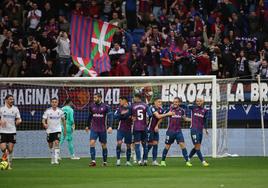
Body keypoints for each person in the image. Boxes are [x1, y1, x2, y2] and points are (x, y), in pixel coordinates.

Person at [160, 97, 192, 167]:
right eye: (174, 102)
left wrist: (193, 120)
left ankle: (187, 161)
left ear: (179, 103)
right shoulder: (169, 109)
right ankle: (162, 161)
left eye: (176, 102)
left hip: (178, 131)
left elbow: (185, 118)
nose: (175, 103)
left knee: (183, 145)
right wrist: (168, 114)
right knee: (167, 146)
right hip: (170, 131)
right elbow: (161, 117)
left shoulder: (182, 110)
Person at [86, 93, 113, 167]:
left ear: (100, 98)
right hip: (94, 128)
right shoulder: (91, 106)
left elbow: (110, 117)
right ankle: (93, 161)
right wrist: (87, 126)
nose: (94, 99)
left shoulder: (106, 106)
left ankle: (104, 162)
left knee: (103, 145)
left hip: (102, 129)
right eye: (93, 98)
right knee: (92, 142)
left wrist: (110, 126)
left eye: (95, 98)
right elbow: (89, 116)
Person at [147, 97, 173, 166]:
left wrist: (157, 126)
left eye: (161, 102)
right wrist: (168, 114)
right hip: (149, 129)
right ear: (155, 102)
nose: (160, 103)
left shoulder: (161, 109)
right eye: (158, 102)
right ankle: (144, 157)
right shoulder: (152, 108)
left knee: (155, 143)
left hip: (155, 129)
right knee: (150, 144)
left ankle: (154, 160)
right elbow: (158, 116)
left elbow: (161, 118)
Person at [0, 94, 22, 169]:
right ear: (6, 100)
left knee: (10, 149)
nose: (12, 100)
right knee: (3, 149)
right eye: (10, 99)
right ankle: (6, 162)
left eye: (12, 99)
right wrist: (0, 121)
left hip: (12, 131)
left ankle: (8, 164)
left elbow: (19, 118)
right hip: (2, 131)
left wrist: (18, 121)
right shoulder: (2, 109)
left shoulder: (15, 109)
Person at [42, 97, 66, 165]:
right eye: (53, 102)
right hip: (49, 130)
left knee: (56, 142)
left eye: (55, 102)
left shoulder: (60, 111)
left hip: (58, 129)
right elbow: (43, 119)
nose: (54, 103)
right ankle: (52, 156)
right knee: (50, 145)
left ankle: (55, 159)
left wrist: (65, 130)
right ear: (51, 103)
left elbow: (64, 120)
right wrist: (44, 123)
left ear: (57, 103)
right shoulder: (48, 111)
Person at [188, 98, 209, 167]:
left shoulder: (205, 110)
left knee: (197, 146)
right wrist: (176, 104)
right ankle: (203, 161)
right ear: (196, 102)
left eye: (200, 101)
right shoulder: (193, 108)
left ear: (202, 102)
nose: (199, 102)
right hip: (194, 129)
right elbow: (184, 106)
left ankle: (188, 158)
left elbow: (205, 120)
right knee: (197, 146)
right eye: (197, 101)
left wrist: (206, 129)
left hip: (200, 130)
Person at [131, 93, 149, 166]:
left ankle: (138, 160)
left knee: (137, 145)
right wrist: (146, 122)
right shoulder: (146, 105)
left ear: (137, 98)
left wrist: (132, 117)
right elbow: (150, 115)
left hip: (136, 127)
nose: (133, 99)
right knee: (145, 145)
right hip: (144, 127)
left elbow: (130, 115)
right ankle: (145, 160)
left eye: (134, 97)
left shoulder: (133, 106)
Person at [114, 96, 132, 166]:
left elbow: (133, 116)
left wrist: (130, 116)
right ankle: (118, 160)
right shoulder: (119, 108)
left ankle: (127, 161)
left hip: (129, 129)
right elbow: (115, 116)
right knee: (119, 142)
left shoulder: (131, 108)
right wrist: (122, 114)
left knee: (128, 145)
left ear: (125, 101)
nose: (119, 102)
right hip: (120, 129)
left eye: (120, 100)